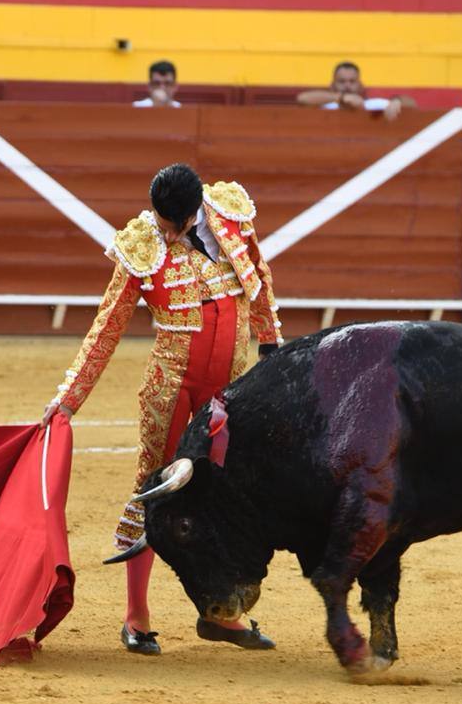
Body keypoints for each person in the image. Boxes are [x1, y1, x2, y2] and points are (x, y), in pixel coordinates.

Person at [41, 163, 283, 655]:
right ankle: (136, 616)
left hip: (231, 389)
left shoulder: (230, 215)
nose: (165, 232)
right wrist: (68, 399)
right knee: (156, 489)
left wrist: (272, 345)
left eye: (175, 224)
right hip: (172, 389)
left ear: (196, 213)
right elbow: (106, 329)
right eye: (161, 221)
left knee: (229, 495)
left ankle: (223, 613)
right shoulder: (142, 244)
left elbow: (259, 274)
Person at [297, 61, 413, 121]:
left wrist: (397, 101)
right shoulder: (326, 106)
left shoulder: (374, 105)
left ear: (361, 85)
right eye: (342, 82)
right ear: (332, 85)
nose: (347, 86)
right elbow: (302, 98)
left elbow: (412, 104)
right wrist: (341, 98)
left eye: (352, 81)